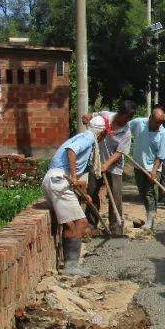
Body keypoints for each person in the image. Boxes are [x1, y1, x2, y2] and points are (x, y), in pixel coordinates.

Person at [43, 114, 108, 276]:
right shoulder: (88, 138)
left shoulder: (86, 139)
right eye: (106, 134)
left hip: (55, 179)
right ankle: (71, 267)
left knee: (72, 223)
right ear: (102, 133)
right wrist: (73, 176)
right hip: (59, 179)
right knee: (80, 223)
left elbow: (80, 176)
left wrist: (84, 194)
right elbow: (71, 151)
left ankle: (70, 265)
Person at [93, 101, 136, 236]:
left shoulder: (126, 132)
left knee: (116, 197)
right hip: (96, 162)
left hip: (114, 168)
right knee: (91, 193)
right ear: (120, 113)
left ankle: (116, 228)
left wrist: (106, 165)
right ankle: (91, 225)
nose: (128, 120)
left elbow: (119, 153)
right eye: (127, 117)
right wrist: (87, 117)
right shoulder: (105, 116)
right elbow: (92, 117)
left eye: (130, 118)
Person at [128, 106, 165, 230]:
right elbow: (125, 129)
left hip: (153, 168)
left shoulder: (163, 133)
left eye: (160, 123)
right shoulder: (139, 123)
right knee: (142, 193)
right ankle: (150, 214)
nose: (158, 125)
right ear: (150, 118)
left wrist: (154, 171)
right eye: (156, 122)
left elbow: (160, 156)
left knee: (150, 193)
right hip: (138, 165)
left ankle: (150, 220)